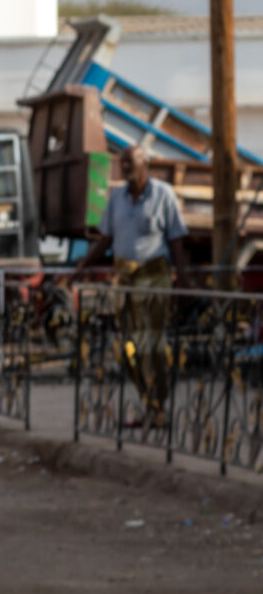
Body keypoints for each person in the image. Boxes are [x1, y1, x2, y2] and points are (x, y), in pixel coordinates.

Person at [83, 146, 190, 419]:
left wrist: (184, 281)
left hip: (154, 278)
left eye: (130, 162)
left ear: (145, 164)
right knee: (128, 347)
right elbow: (105, 238)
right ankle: (148, 401)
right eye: (123, 163)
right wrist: (83, 265)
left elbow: (176, 241)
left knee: (152, 345)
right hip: (126, 281)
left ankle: (159, 405)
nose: (126, 168)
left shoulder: (162, 194)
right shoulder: (116, 197)